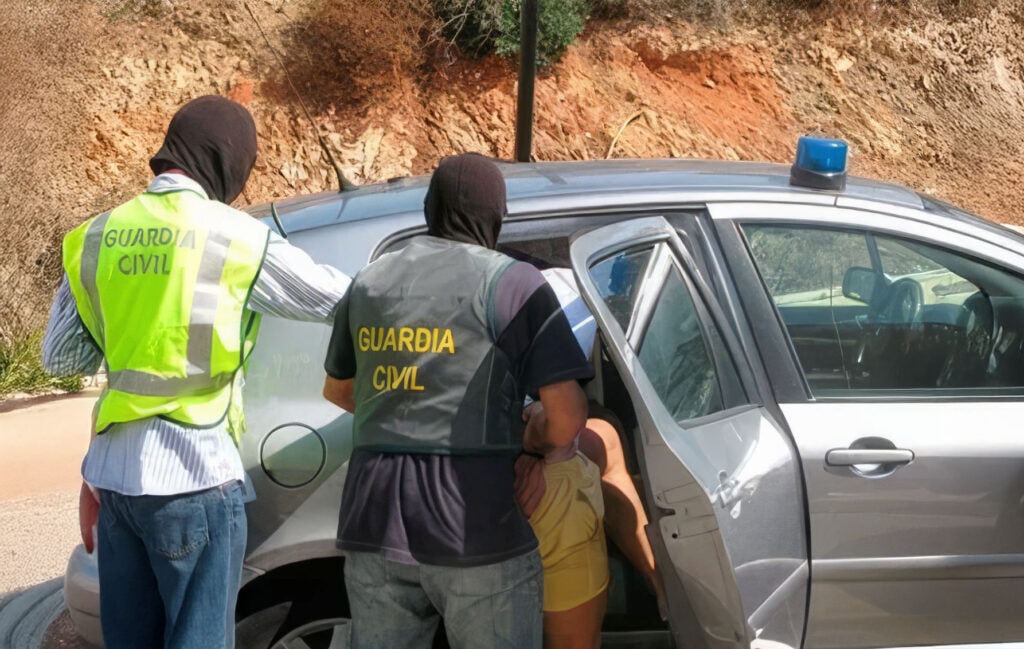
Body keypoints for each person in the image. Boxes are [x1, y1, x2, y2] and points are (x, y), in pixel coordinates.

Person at [41, 95, 351, 649]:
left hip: (116, 483)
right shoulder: (236, 237)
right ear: (228, 161)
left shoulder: (94, 237)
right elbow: (339, 300)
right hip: (195, 477)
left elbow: (61, 361)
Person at [321, 152, 593, 649]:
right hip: (474, 528)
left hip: (374, 523)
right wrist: (529, 446)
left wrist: (409, 413)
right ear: (495, 215)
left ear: (430, 208)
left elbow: (338, 390)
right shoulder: (514, 284)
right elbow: (568, 416)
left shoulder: (369, 282)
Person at [514, 267, 658, 649]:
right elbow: (560, 421)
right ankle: (662, 587)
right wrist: (531, 441)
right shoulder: (555, 297)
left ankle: (661, 585)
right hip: (548, 501)